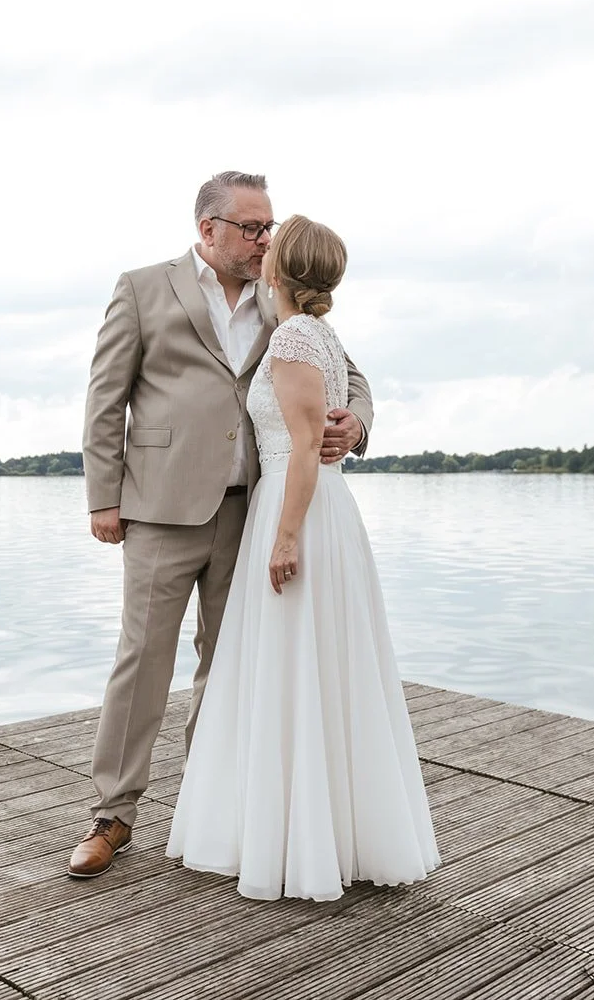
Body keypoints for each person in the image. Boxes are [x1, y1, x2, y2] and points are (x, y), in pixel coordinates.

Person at [70, 174, 374, 878]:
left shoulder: (281, 297)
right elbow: (105, 398)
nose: (265, 239)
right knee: (142, 658)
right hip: (160, 507)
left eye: (268, 227)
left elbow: (350, 375)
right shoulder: (142, 288)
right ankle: (112, 814)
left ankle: (211, 808)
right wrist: (103, 498)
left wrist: (355, 423)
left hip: (254, 507)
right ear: (208, 229)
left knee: (230, 662)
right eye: (251, 227)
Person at [166, 214, 439, 901]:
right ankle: (328, 831)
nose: (260, 247)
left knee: (292, 662)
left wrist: (285, 537)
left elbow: (305, 446)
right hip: (324, 510)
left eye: (271, 242)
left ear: (281, 267)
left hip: (298, 508)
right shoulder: (320, 332)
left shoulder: (292, 336)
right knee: (323, 665)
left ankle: (295, 838)